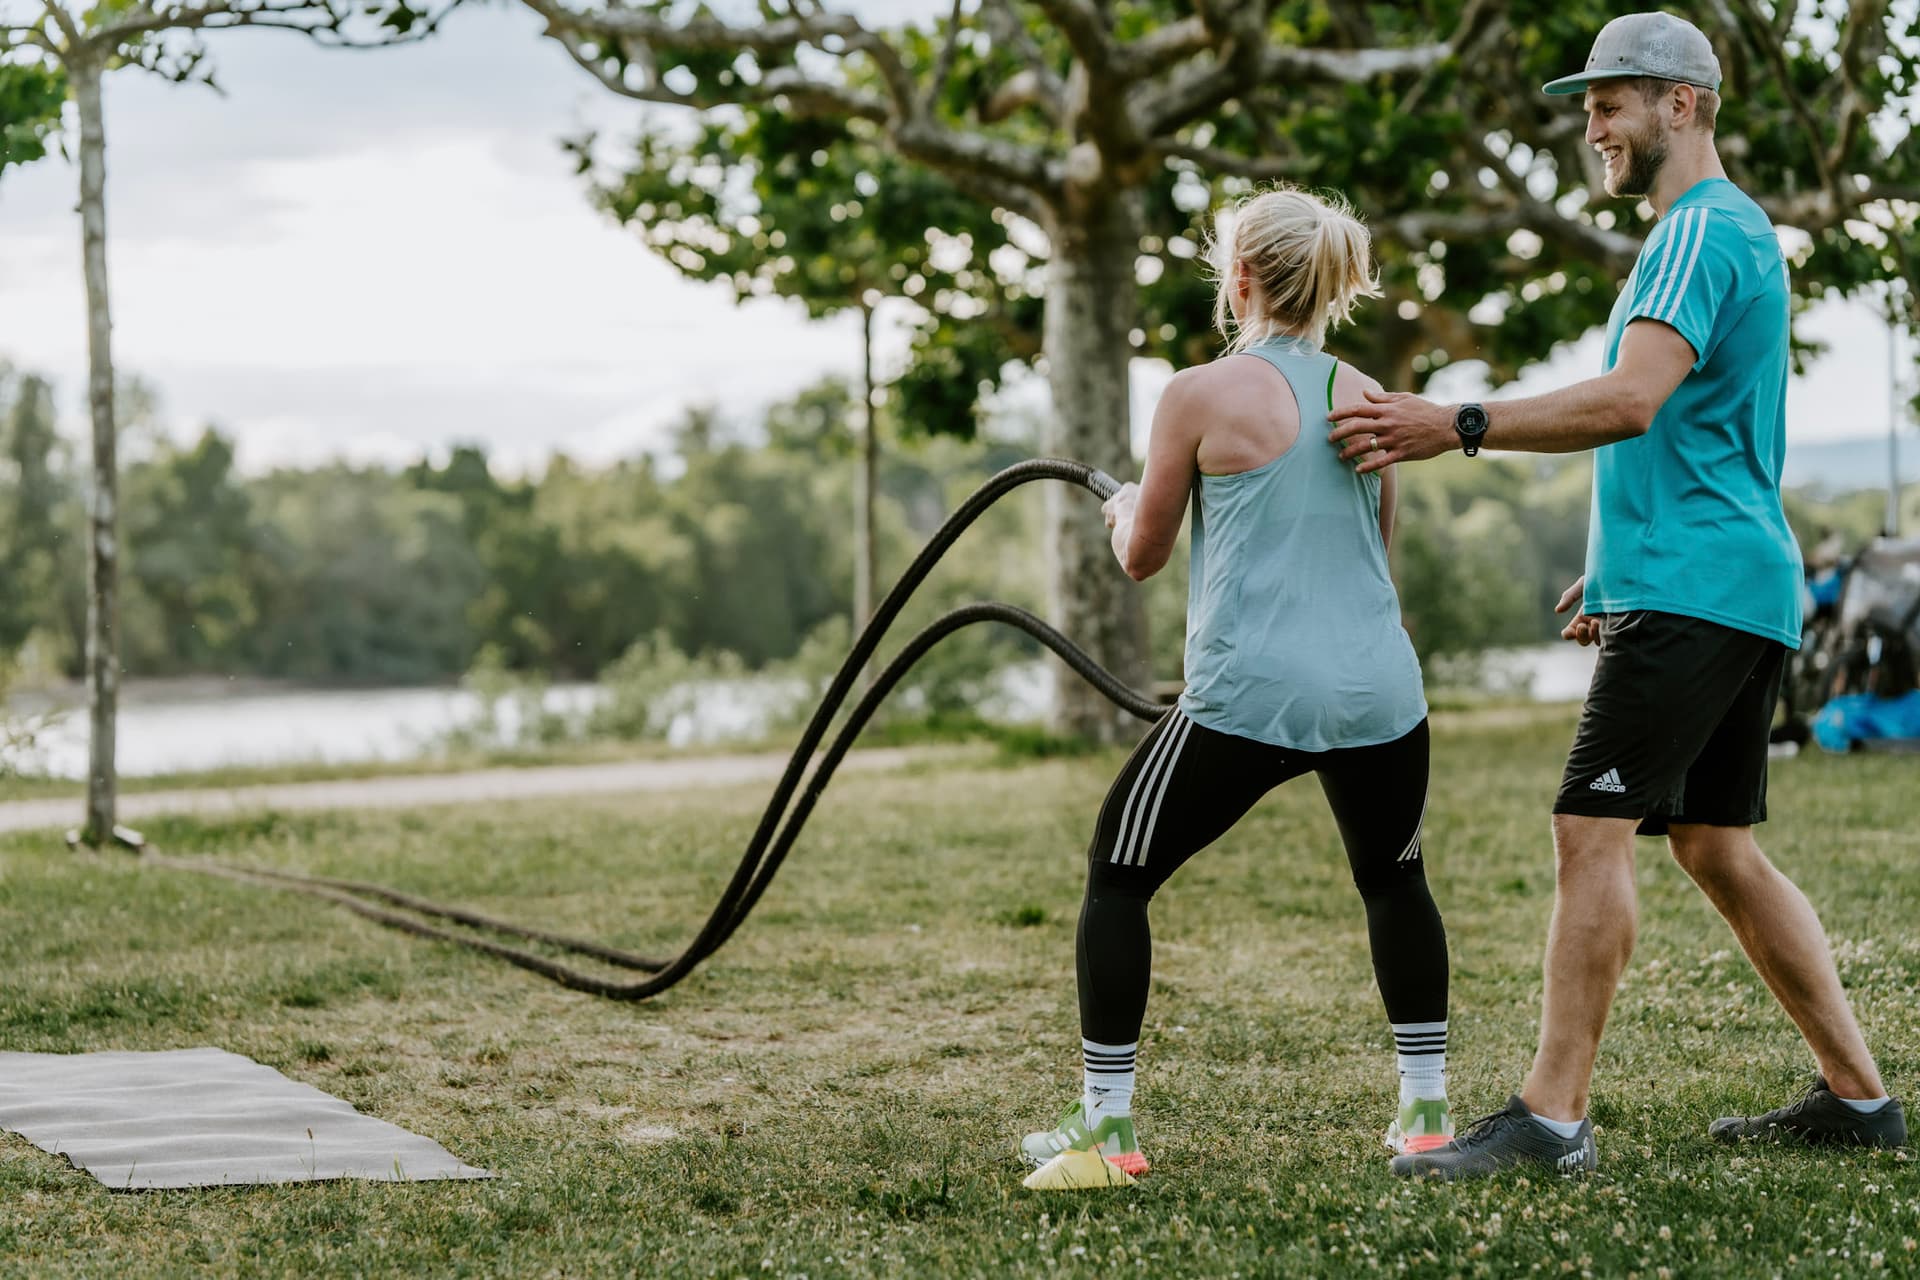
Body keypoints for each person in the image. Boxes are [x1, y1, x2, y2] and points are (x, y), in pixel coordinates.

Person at [1324, 11, 1906, 1181]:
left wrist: (1456, 421)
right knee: (1716, 843)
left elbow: (1635, 398)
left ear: (1679, 105)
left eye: (1610, 101)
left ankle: (1550, 1118)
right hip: (1720, 576)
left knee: (1590, 828)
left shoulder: (1699, 230)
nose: (1590, 124)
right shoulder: (1726, 234)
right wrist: (1626, 561)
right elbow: (1706, 427)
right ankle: (1860, 1098)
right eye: (1587, 104)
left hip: (1704, 585)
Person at [1020, 186, 1452, 1180]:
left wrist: (1123, 508)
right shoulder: (1371, 395)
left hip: (1250, 697)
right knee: (1395, 881)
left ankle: (1107, 1128)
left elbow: (1142, 555)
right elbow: (1376, 558)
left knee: (1116, 875)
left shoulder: (1197, 394)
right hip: (1379, 693)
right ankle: (1426, 1116)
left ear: (1241, 276)